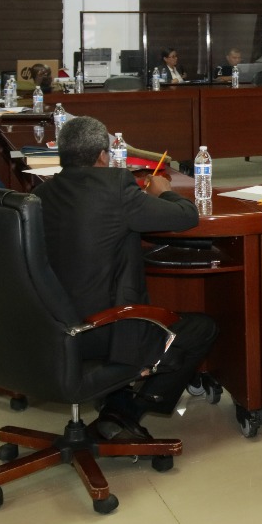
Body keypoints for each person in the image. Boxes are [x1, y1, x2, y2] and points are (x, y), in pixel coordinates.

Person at [32, 116, 217, 440]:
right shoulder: (116, 187)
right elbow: (186, 216)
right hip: (103, 329)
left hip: (51, 328)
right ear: (103, 156)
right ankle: (126, 410)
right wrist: (165, 192)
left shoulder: (42, 193)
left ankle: (115, 395)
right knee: (202, 327)